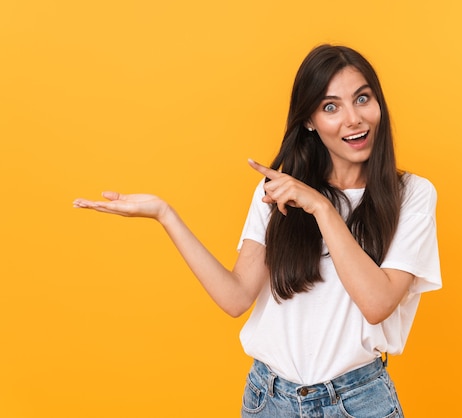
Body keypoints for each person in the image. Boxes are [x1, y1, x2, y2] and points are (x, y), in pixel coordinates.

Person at [73, 44, 441, 417]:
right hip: (269, 400)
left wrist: (321, 206)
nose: (353, 119)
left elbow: (377, 304)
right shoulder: (277, 191)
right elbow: (236, 298)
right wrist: (165, 214)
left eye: (363, 99)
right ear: (310, 120)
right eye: (331, 107)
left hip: (357, 402)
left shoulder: (411, 195)